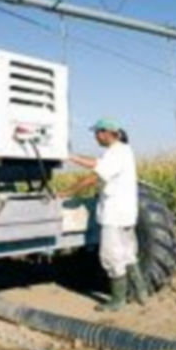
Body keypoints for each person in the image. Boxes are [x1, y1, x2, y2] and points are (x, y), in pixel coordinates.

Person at [58, 118, 148, 311]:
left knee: (111, 256)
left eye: (97, 133)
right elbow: (98, 164)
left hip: (114, 215)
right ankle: (141, 293)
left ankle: (118, 300)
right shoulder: (122, 151)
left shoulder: (117, 153)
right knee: (128, 254)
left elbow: (95, 177)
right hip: (125, 214)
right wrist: (72, 157)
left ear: (106, 133)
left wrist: (67, 192)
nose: (95, 137)